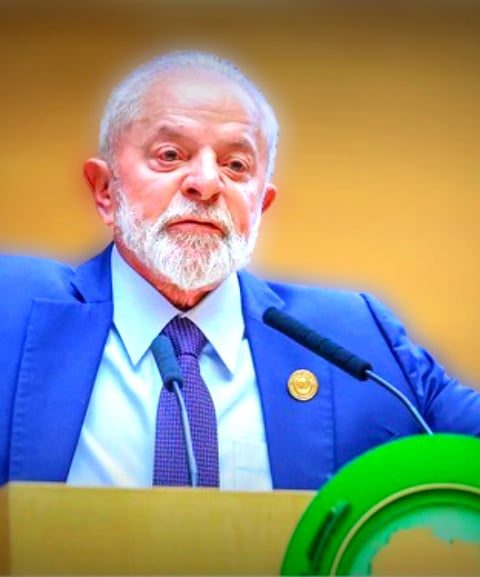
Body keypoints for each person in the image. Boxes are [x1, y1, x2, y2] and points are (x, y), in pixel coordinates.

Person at [0, 51, 478, 491]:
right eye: (170, 155)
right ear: (105, 190)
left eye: (235, 164)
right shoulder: (12, 311)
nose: (207, 183)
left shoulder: (355, 339)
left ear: (260, 206)